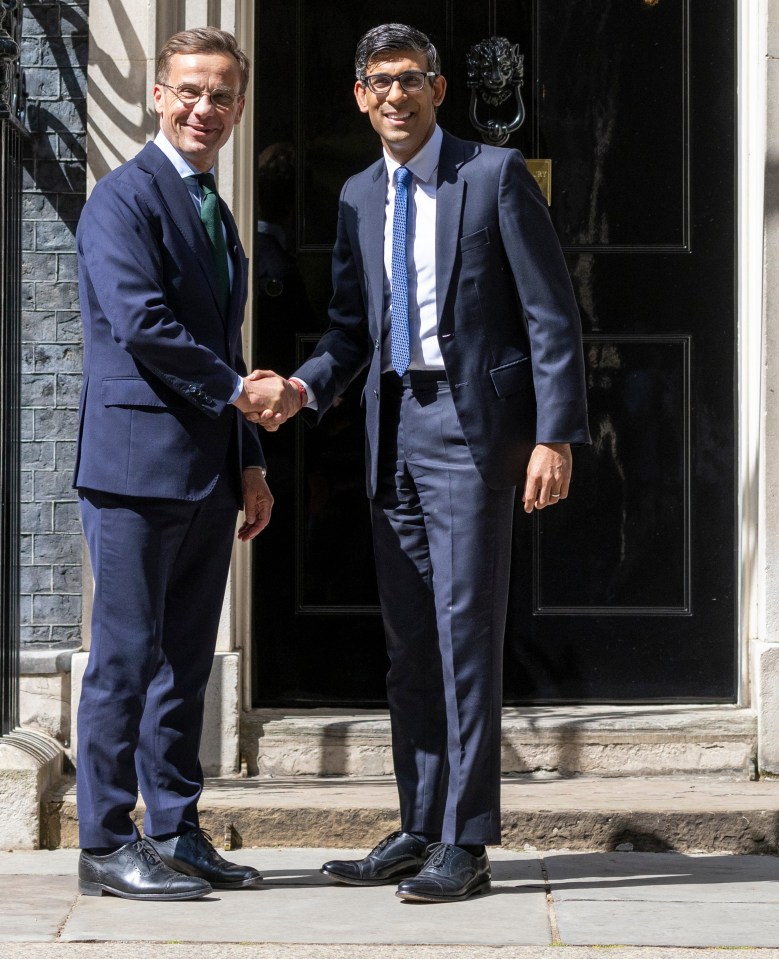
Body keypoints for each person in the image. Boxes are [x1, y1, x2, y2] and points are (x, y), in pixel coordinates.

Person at [262, 22, 591, 903]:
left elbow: (552, 317)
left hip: (470, 427)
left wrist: (552, 435)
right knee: (409, 646)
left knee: (465, 637)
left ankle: (467, 840)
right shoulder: (359, 195)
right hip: (388, 429)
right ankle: (419, 822)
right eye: (379, 82)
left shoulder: (491, 176)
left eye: (411, 79)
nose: (396, 96)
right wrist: (301, 389)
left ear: (439, 90)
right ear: (360, 98)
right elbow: (346, 333)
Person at [73, 27, 298, 901]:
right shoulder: (121, 199)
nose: (206, 107)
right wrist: (245, 395)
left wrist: (248, 461)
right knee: (125, 659)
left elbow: (220, 335)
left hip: (208, 471)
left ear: (240, 109)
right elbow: (141, 325)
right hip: (134, 470)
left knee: (185, 664)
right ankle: (103, 842)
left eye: (223, 95)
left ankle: (173, 826)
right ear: (157, 98)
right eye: (191, 91)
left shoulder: (212, 203)